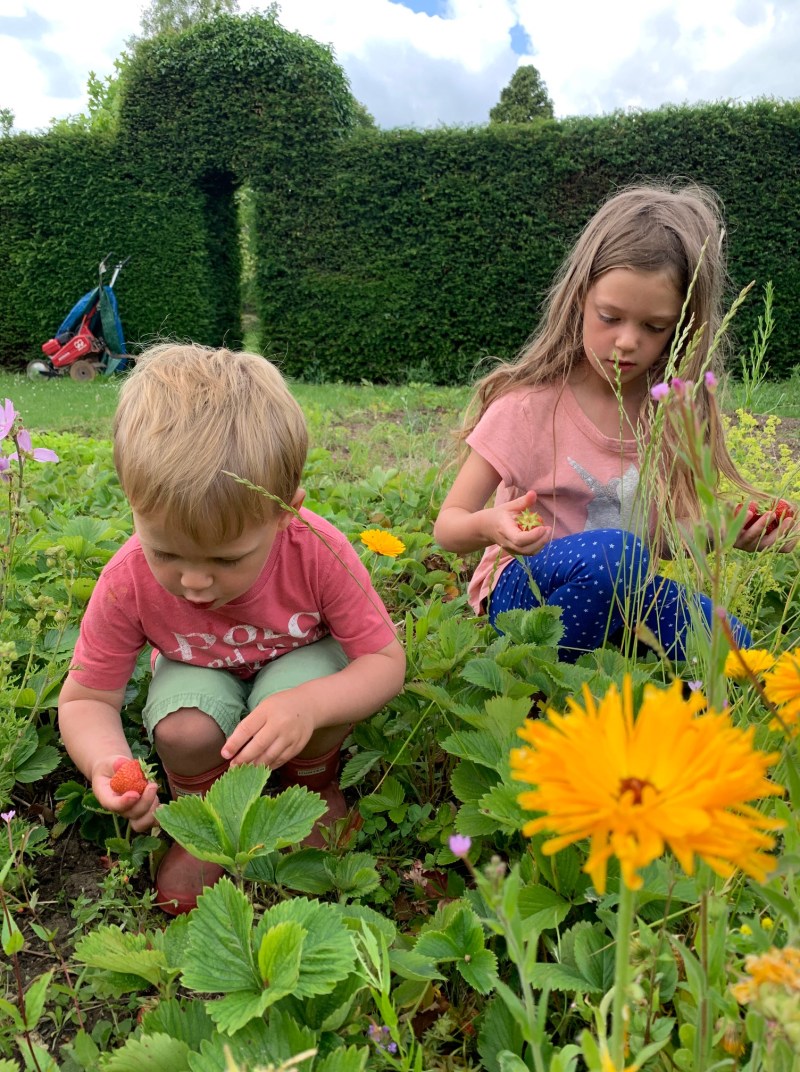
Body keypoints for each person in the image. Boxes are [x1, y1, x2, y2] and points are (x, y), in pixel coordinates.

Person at [58, 343, 406, 914]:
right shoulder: (126, 579)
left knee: (297, 696)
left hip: (299, 667)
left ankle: (311, 789)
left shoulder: (316, 551)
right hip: (197, 672)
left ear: (284, 512)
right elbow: (87, 699)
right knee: (182, 729)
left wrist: (311, 707)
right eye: (166, 552)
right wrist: (104, 762)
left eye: (226, 560)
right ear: (132, 503)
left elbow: (385, 664)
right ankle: (205, 823)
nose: (195, 582)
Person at [434, 181, 795, 664]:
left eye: (654, 327)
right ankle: (544, 683)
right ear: (579, 298)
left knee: (740, 652)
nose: (627, 341)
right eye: (609, 316)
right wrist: (490, 524)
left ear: (682, 326)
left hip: (625, 588)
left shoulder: (670, 413)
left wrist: (726, 531)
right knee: (616, 556)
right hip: (525, 594)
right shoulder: (527, 407)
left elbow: (660, 539)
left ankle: (642, 689)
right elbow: (448, 527)